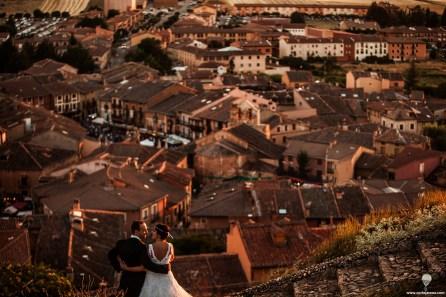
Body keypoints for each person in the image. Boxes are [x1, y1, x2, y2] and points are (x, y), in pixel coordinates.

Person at [119, 224, 192, 297]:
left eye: (154, 231)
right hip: (167, 280)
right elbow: (171, 259)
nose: (151, 232)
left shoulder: (149, 248)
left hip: (151, 281)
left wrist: (126, 268)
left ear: (159, 235)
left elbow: (144, 267)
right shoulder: (170, 246)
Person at [108, 221, 170, 297]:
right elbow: (147, 265)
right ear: (136, 231)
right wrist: (164, 269)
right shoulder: (142, 247)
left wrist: (119, 267)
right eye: (144, 230)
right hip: (138, 285)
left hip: (124, 282)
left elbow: (110, 255)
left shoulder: (121, 243)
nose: (147, 232)